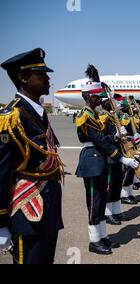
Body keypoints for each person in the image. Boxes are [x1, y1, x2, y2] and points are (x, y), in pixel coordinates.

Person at [0, 48, 64, 264]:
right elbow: (1, 171)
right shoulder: (12, 116)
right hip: (26, 212)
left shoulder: (38, 112)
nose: (48, 78)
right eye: (41, 74)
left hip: (48, 209)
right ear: (23, 78)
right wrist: (0, 223)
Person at [75, 69, 139, 255]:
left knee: (102, 199)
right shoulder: (85, 115)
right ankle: (94, 241)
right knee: (95, 202)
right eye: (96, 96)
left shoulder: (95, 114)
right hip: (92, 160)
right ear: (88, 96)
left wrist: (116, 136)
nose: (100, 98)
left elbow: (105, 138)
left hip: (100, 160)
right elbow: (99, 141)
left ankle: (102, 236)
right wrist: (122, 158)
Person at [99, 99, 132, 225]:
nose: (115, 103)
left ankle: (117, 211)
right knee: (110, 186)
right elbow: (103, 138)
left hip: (118, 153)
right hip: (110, 155)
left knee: (117, 185)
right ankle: (108, 213)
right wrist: (116, 136)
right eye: (112, 101)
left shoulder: (113, 117)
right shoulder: (104, 117)